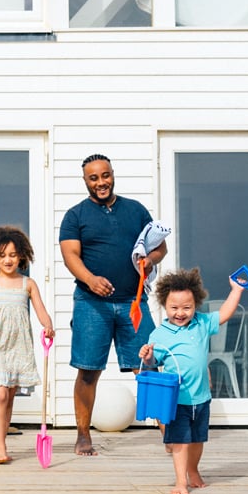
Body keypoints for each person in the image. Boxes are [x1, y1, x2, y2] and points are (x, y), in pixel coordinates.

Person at [59, 153, 167, 457]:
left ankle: (167, 431)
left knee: (148, 365)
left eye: (105, 175)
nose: (100, 182)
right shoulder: (75, 215)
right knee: (89, 370)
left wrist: (151, 259)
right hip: (91, 304)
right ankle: (83, 435)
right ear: (85, 181)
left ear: (112, 174)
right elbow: (71, 256)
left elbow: (160, 246)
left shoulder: (135, 211)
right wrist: (91, 279)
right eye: (93, 178)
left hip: (134, 302)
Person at [138, 267, 246, 494]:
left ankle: (193, 470)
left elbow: (225, 313)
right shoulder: (160, 334)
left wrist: (237, 290)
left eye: (186, 307)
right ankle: (180, 481)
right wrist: (147, 355)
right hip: (177, 400)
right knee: (180, 442)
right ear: (164, 306)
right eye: (174, 308)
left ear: (195, 304)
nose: (180, 313)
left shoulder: (202, 323)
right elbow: (152, 359)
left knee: (197, 440)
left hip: (201, 397)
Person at [0, 225, 55, 464]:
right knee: (1, 394)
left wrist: (48, 326)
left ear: (22, 256)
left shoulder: (28, 284)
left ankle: (1, 438)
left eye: (13, 255)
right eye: (3, 255)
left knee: (10, 394)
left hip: (18, 346)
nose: (8, 260)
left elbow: (41, 311)